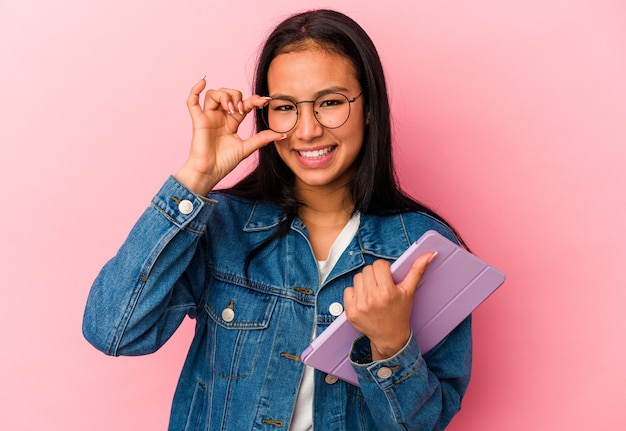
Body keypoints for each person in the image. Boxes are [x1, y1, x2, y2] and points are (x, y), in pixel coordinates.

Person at [82, 9, 472, 431]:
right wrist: (197, 178)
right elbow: (114, 332)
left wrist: (392, 343)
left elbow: (425, 424)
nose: (306, 130)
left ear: (369, 108)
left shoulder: (421, 249)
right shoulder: (223, 226)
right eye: (286, 107)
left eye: (330, 102)